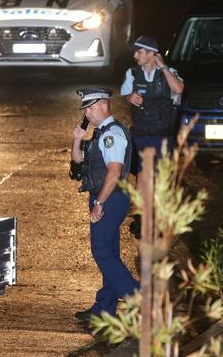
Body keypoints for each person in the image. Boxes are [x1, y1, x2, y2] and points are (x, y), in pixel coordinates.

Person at [71, 87, 139, 321]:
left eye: (90, 108)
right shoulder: (100, 133)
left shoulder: (112, 134)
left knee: (101, 252)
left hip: (110, 197)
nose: (87, 114)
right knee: (109, 253)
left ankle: (139, 299)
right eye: (86, 109)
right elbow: (78, 162)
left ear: (103, 105)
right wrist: (77, 140)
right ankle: (104, 309)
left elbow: (114, 171)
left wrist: (99, 203)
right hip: (106, 196)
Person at [120, 35, 184, 236]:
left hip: (163, 135)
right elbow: (124, 94)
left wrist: (163, 67)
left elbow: (179, 89)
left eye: (139, 51)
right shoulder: (132, 73)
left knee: (162, 177)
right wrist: (129, 96)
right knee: (142, 176)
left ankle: (161, 217)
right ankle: (141, 218)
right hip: (141, 133)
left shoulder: (168, 72)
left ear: (151, 54)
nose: (135, 55)